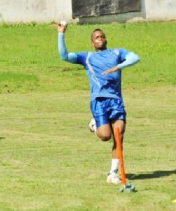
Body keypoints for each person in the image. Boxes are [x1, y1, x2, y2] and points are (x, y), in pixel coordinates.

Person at [57, 24, 140, 184]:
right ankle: (95, 125)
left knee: (119, 135)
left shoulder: (117, 53)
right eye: (96, 38)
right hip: (99, 101)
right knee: (105, 136)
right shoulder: (87, 57)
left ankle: (113, 173)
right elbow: (64, 56)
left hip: (116, 101)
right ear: (92, 43)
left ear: (106, 39)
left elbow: (135, 58)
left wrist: (118, 66)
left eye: (102, 36)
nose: (100, 39)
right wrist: (61, 33)